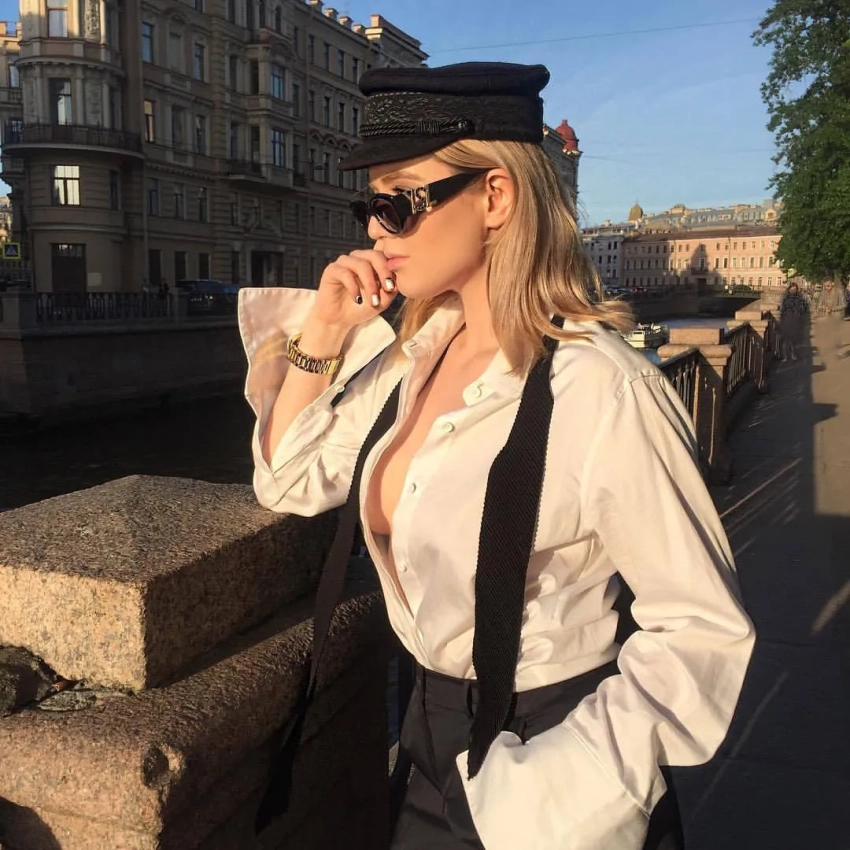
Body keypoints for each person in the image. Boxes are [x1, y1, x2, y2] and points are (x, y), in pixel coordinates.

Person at [238, 62, 755, 850]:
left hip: (555, 750)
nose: (374, 231)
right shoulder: (411, 360)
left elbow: (701, 628)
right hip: (423, 738)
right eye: (367, 207)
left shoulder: (602, 389)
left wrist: (562, 790)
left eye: (397, 203)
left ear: (496, 197)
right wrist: (325, 332)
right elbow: (290, 478)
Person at [778, 281, 809, 361]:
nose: (793, 291)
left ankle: (793, 355)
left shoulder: (800, 298)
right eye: (791, 289)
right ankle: (784, 356)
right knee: (784, 339)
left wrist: (798, 310)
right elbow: (782, 309)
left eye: (794, 289)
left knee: (793, 340)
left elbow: (804, 309)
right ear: (789, 290)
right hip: (786, 319)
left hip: (795, 319)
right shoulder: (785, 298)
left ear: (796, 290)